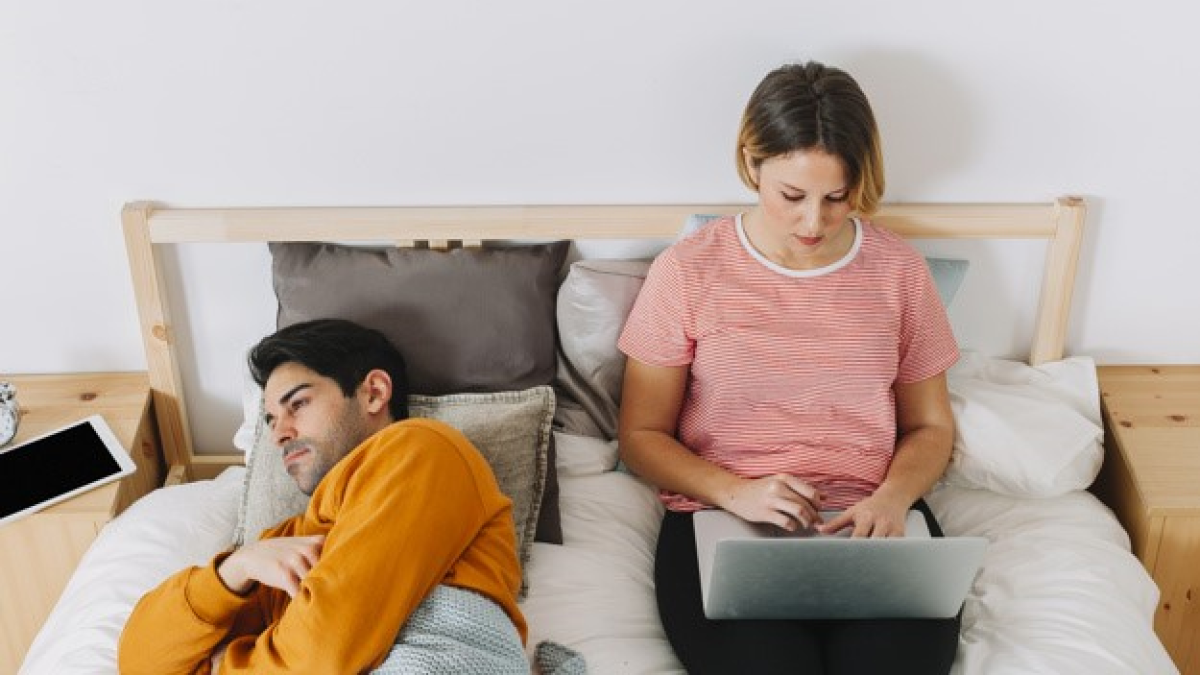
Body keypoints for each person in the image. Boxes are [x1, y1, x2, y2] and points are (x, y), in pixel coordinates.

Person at [617, 61, 962, 674]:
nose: (814, 223)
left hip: (870, 520)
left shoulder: (899, 272)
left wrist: (893, 498)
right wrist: (736, 492)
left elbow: (931, 426)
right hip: (724, 517)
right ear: (753, 165)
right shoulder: (689, 270)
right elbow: (640, 436)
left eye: (837, 198)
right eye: (793, 196)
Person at [118, 318, 529, 674]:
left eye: (297, 403)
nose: (279, 433)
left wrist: (226, 664)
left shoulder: (421, 450)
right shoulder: (287, 544)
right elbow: (140, 664)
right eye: (272, 420)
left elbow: (323, 654)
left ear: (373, 392)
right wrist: (232, 572)